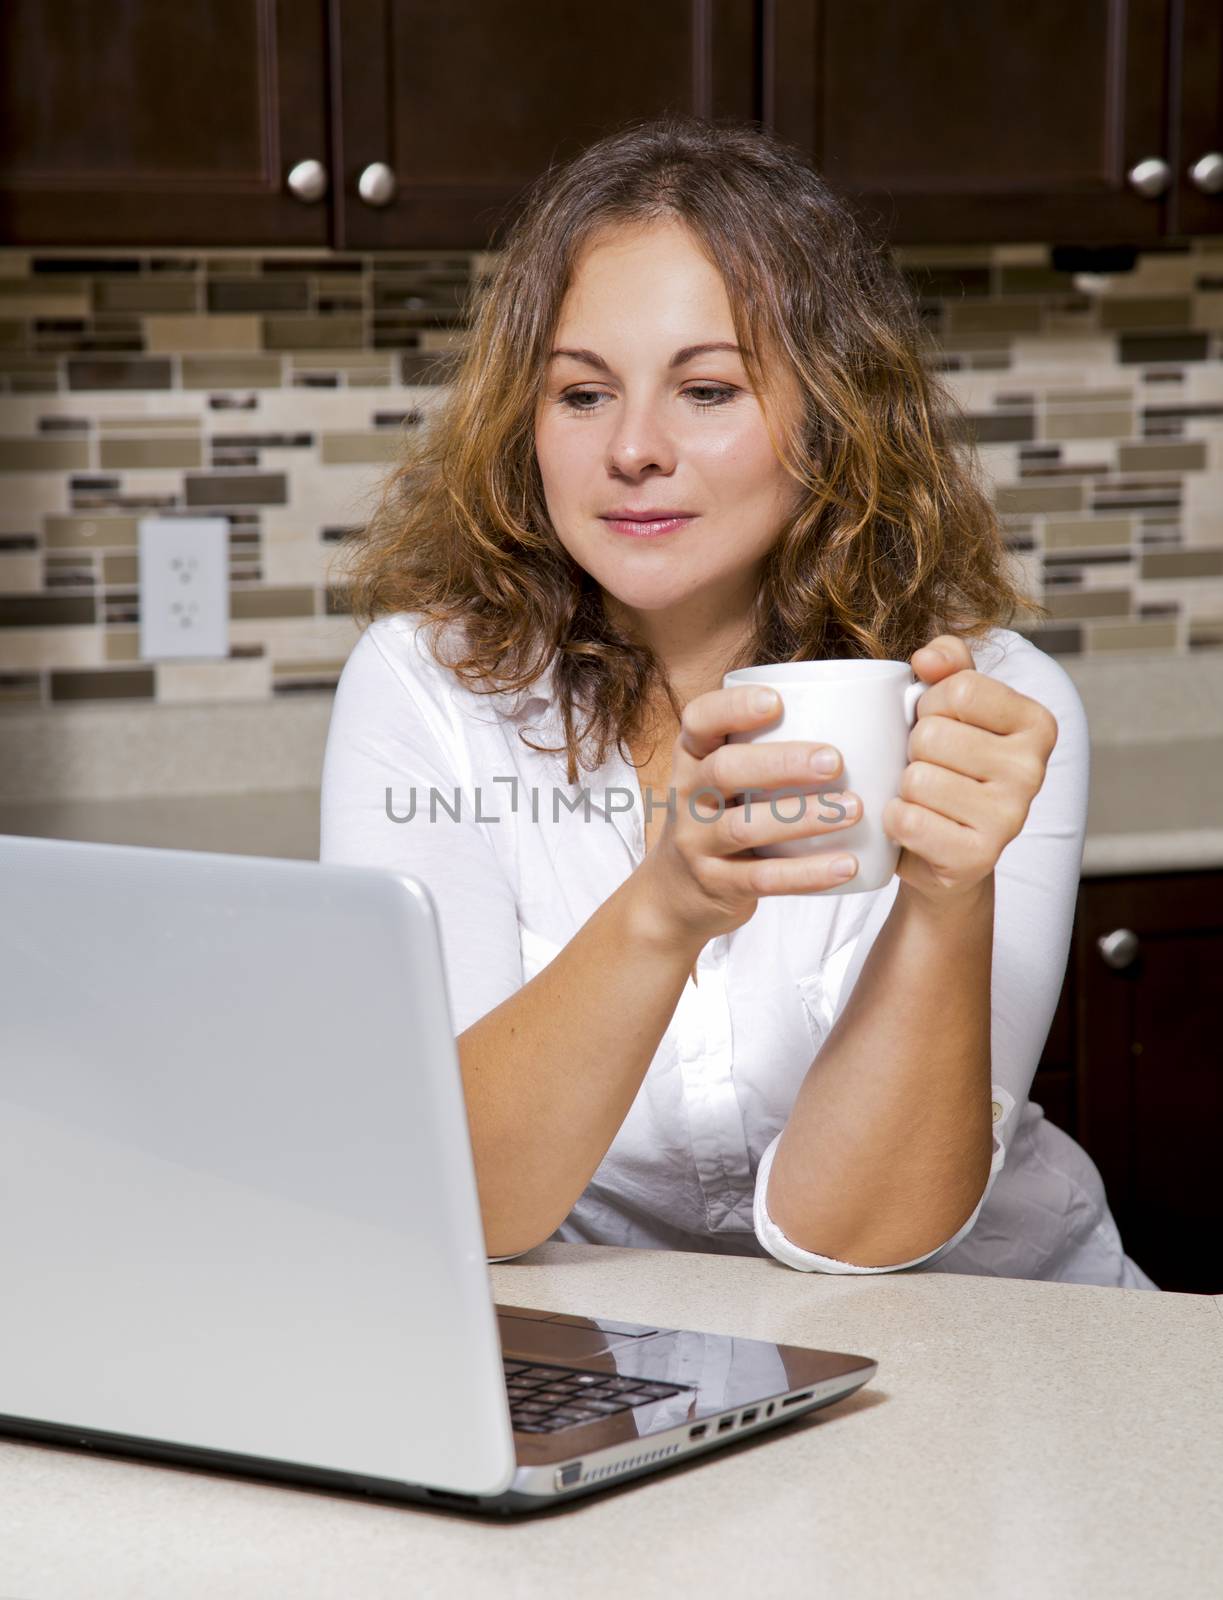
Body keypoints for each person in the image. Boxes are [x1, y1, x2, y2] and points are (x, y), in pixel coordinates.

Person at [319, 112, 1157, 1289]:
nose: (633, 448)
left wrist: (945, 895)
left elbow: (855, 1235)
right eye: (580, 395)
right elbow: (473, 1203)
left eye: (706, 390)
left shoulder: (985, 710)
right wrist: (664, 905)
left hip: (999, 1351)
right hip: (635, 1367)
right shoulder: (424, 690)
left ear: (830, 412)